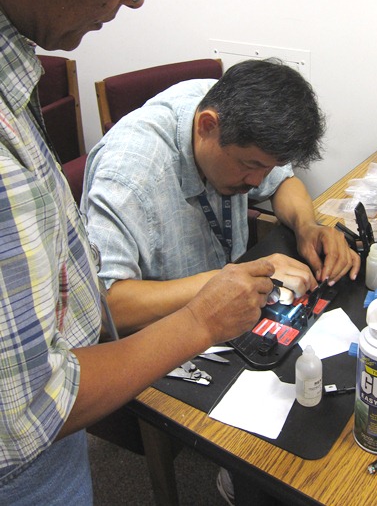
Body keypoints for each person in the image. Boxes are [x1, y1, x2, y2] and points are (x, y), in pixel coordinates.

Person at [0, 0, 277, 504]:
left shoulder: (194, 96)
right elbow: (30, 415)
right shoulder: (127, 164)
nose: (132, 2)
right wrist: (200, 321)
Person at [83, 59, 360, 334]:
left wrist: (306, 227)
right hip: (158, 335)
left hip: (226, 312)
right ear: (206, 127)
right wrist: (232, 280)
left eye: (267, 168)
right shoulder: (128, 175)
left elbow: (283, 182)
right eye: (250, 165)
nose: (256, 182)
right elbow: (105, 308)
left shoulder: (226, 105)